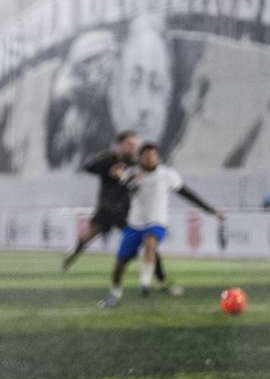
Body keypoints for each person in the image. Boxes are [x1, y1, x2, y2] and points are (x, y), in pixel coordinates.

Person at [99, 143, 224, 309]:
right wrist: (117, 175)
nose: (151, 159)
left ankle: (145, 283)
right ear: (140, 158)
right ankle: (115, 295)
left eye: (153, 155)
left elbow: (188, 194)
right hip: (135, 224)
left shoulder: (167, 174)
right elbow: (119, 188)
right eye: (147, 156)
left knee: (151, 243)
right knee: (119, 264)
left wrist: (211, 210)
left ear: (157, 157)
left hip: (157, 222)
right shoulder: (132, 173)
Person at [63, 132, 175, 292]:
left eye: (135, 144)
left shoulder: (137, 163)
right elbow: (89, 167)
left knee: (150, 245)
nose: (133, 147)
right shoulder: (108, 159)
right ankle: (71, 258)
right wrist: (111, 166)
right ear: (120, 145)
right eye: (130, 144)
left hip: (126, 213)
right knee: (85, 238)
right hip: (105, 210)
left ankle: (161, 280)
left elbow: (151, 173)